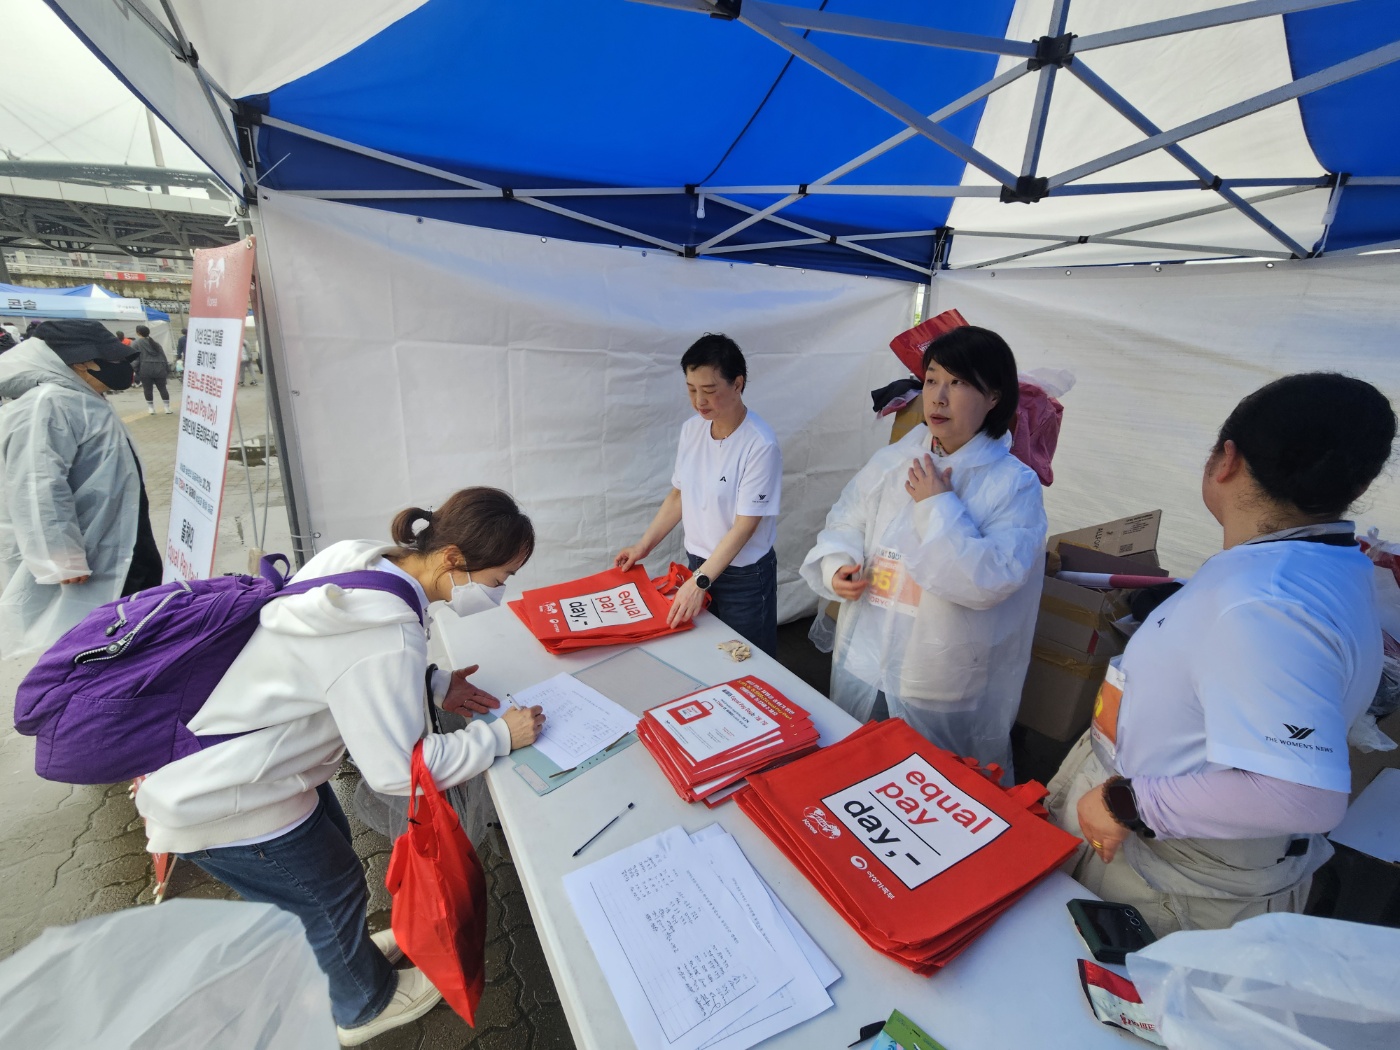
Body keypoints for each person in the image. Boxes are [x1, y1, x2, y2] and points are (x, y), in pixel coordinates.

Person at [133, 487, 547, 1045]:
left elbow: (339, 666)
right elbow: (398, 771)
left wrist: (433, 683)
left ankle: (346, 958)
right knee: (323, 898)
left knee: (335, 876)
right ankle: (362, 1004)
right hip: (229, 797)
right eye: (501, 577)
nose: (500, 591)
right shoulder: (386, 632)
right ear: (453, 558)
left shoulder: (365, 559)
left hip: (253, 762)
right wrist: (499, 736)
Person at [1046, 373, 1395, 936]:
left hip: (1171, 867)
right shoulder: (1315, 562)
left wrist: (1125, 803)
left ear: (1226, 460)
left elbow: (1302, 795)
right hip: (1169, 843)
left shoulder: (1264, 605)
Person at [801, 326, 1046, 776]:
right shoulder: (896, 459)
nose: (939, 397)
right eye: (932, 380)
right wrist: (838, 564)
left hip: (936, 675)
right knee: (850, 771)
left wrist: (937, 505)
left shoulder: (1012, 484)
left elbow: (991, 580)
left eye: (958, 383)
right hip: (865, 652)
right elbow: (847, 519)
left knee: (929, 784)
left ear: (993, 396)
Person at [0, 320, 161, 660]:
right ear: (81, 362)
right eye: (112, 360)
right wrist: (59, 556)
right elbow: (36, 486)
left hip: (122, 531)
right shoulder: (48, 404)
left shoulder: (83, 396)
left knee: (135, 619)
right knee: (100, 634)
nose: (122, 368)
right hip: (90, 546)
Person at [615, 333, 782, 655]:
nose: (699, 401)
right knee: (706, 653)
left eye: (709, 390)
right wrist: (642, 546)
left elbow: (745, 526)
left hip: (744, 576)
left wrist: (700, 582)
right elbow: (679, 496)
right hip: (698, 563)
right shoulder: (692, 430)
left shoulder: (760, 444)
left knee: (747, 658)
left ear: (737, 384)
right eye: (691, 389)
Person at [131, 323, 172, 415]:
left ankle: (151, 409)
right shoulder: (156, 344)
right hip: (160, 369)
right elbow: (163, 357)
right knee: (162, 388)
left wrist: (134, 369)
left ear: (138, 333)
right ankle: (167, 408)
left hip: (145, 369)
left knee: (147, 389)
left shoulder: (136, 343)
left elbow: (135, 359)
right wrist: (166, 369)